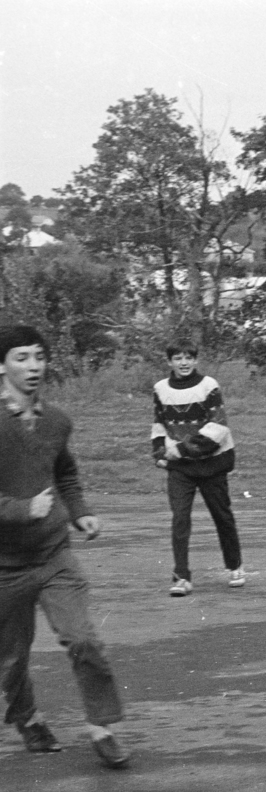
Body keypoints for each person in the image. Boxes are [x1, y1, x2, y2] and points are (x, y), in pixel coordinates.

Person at [0, 325, 131, 768]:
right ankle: (28, 718)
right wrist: (21, 508)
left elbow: (66, 473)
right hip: (4, 564)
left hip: (54, 554)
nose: (33, 366)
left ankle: (102, 725)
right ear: (2, 365)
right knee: (12, 656)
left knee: (83, 637)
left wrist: (79, 511)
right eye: (21, 357)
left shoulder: (57, 421)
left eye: (39, 356)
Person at [151, 342, 244, 596]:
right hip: (181, 469)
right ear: (169, 361)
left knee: (222, 516)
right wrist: (160, 451)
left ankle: (234, 566)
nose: (183, 363)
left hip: (212, 463)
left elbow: (218, 427)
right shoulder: (160, 389)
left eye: (189, 358)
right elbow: (160, 423)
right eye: (178, 358)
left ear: (195, 360)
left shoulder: (209, 386)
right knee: (180, 518)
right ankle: (181, 577)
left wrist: (181, 449)